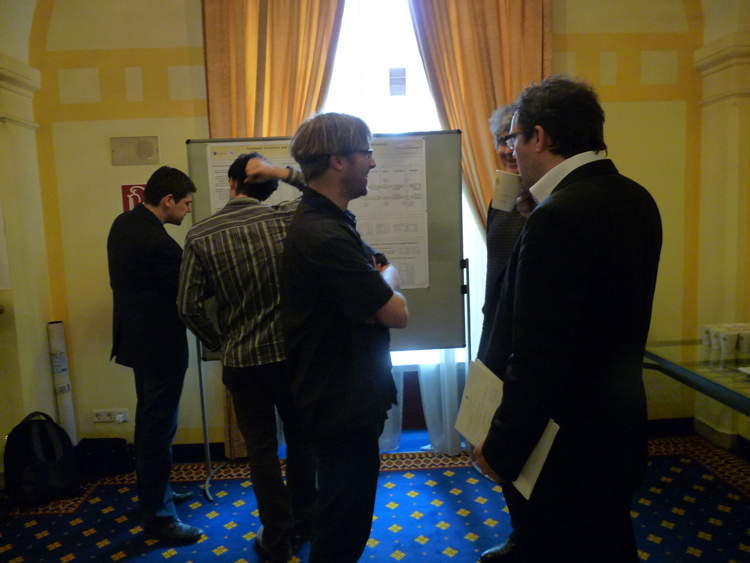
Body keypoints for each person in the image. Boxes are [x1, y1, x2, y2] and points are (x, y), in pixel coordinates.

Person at [474, 76, 662, 563]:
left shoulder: (556, 216)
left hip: (563, 448)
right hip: (617, 428)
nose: (512, 150)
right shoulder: (637, 198)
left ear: (539, 137)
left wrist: (502, 446)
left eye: (515, 137)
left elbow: (540, 357)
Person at [282, 112, 408, 563]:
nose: (372, 163)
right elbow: (396, 313)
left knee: (343, 516)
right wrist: (389, 276)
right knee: (343, 526)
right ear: (337, 160)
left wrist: (380, 280)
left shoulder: (329, 220)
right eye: (366, 152)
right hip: (341, 401)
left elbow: (379, 290)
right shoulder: (324, 235)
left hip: (340, 395)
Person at [177, 153, 315, 563]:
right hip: (292, 358)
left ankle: (277, 539)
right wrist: (281, 172)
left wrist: (220, 342)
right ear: (268, 188)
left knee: (261, 452)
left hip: (243, 364)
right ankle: (306, 522)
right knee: (302, 442)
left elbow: (187, 307)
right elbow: (319, 188)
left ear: (232, 183)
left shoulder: (200, 235)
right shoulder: (285, 219)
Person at [107, 166, 202, 544]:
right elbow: (189, 290)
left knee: (149, 423)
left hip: (136, 341)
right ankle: (159, 517)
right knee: (158, 430)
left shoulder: (123, 223)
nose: (188, 210)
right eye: (186, 204)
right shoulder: (159, 243)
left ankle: (156, 493)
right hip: (160, 346)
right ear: (168, 200)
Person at [476, 107, 524, 562]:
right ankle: (521, 536)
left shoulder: (547, 203)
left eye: (513, 140)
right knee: (498, 444)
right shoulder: (503, 196)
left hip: (524, 344)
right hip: (495, 332)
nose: (507, 150)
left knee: (523, 448)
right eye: (501, 142)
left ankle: (531, 539)